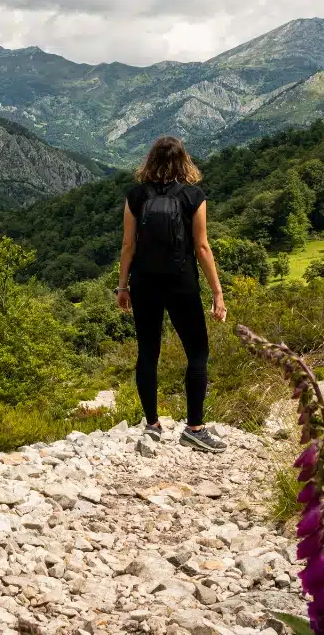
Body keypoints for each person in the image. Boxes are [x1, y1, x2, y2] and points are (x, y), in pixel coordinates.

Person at [115, 135, 227, 452]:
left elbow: (128, 246)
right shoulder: (194, 195)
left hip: (145, 283)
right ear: (184, 162)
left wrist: (123, 287)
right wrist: (217, 292)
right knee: (197, 353)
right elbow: (202, 247)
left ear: (150, 161)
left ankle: (151, 425)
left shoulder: (135, 196)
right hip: (182, 283)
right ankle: (194, 428)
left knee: (148, 353)